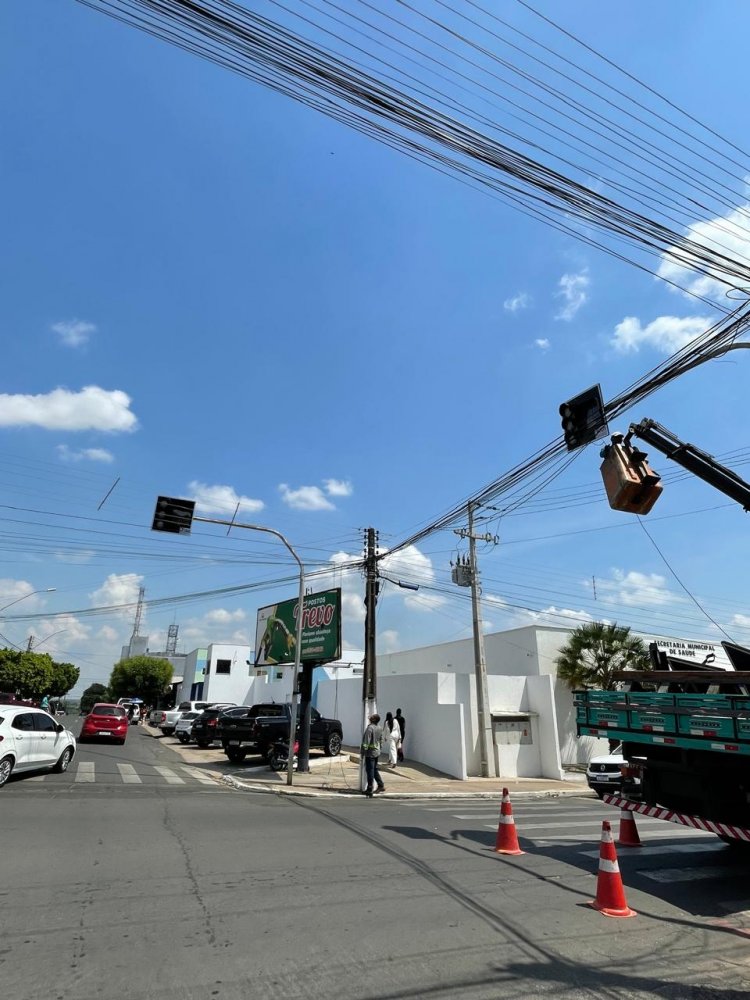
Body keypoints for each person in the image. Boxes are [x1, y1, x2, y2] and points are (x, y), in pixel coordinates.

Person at [360, 713, 385, 797]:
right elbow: (381, 740)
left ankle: (370, 788)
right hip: (376, 752)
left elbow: (366, 742)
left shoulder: (370, 728)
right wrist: (379, 749)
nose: (370, 717)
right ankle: (380, 785)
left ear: (373, 720)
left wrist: (363, 752)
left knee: (370, 770)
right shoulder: (380, 728)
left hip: (370, 753)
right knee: (374, 769)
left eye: (372, 717)